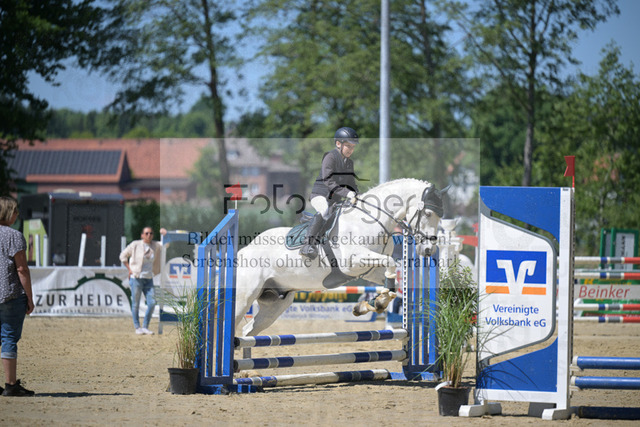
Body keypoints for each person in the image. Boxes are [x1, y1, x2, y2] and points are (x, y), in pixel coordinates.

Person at [300, 126, 360, 260]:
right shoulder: (330, 157)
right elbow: (328, 180)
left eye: (353, 147)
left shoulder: (349, 163)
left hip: (335, 199)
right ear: (338, 144)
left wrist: (358, 194)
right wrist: (347, 193)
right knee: (324, 210)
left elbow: (351, 182)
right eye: (348, 146)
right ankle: (307, 245)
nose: (351, 149)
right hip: (320, 195)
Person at [0, 196, 35, 396]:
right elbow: (21, 269)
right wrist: (29, 297)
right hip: (10, 293)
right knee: (9, 337)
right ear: (8, 213)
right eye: (15, 211)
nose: (17, 215)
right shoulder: (14, 236)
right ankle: (11, 385)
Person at [119, 226, 162, 335]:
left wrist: (164, 234)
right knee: (136, 303)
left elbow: (165, 244)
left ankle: (145, 326)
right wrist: (129, 269)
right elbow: (123, 256)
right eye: (146, 233)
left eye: (151, 233)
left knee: (152, 303)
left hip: (148, 278)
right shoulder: (135, 244)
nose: (149, 235)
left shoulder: (155, 245)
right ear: (142, 235)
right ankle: (137, 327)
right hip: (136, 278)